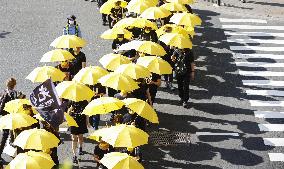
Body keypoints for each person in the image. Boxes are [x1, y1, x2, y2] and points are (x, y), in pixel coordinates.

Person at [0, 78, 25, 163]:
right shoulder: (14, 93)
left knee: (5, 135)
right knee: (14, 135)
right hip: (12, 117)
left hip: (6, 118)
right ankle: (16, 154)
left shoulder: (2, 92)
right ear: (14, 85)